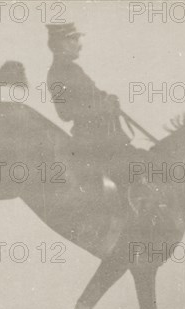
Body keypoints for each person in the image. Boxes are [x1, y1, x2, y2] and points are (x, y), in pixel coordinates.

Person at [46, 23, 131, 190]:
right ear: (60, 43)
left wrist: (107, 99)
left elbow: (91, 97)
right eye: (74, 39)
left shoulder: (72, 69)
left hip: (105, 137)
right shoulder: (58, 72)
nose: (79, 45)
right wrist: (102, 107)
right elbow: (65, 112)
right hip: (92, 141)